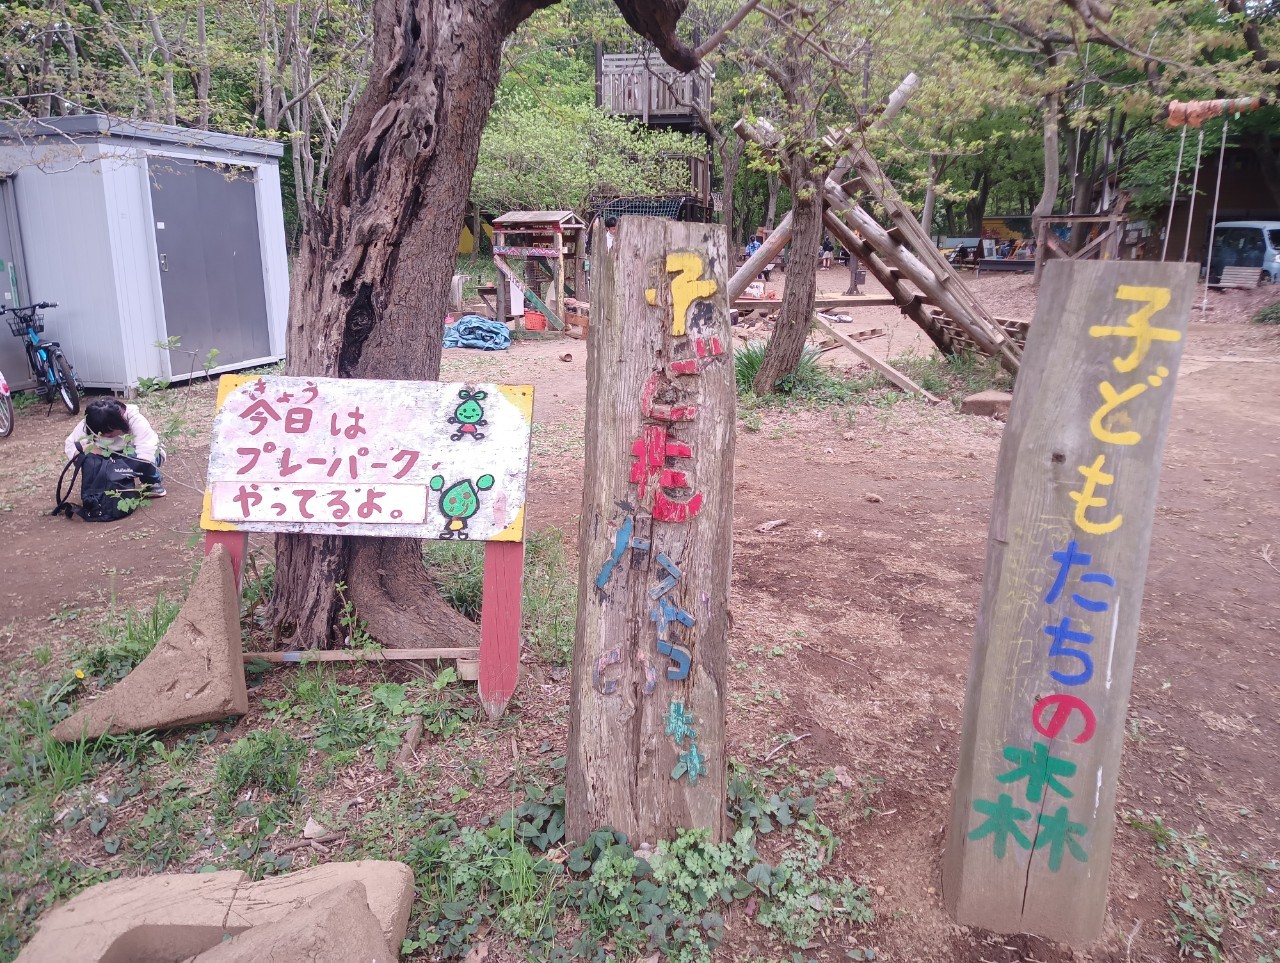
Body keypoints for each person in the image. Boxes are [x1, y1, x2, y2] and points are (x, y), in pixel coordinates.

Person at [64, 397, 166, 496]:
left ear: (119, 423)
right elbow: (71, 444)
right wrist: (80, 457)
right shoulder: (91, 421)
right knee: (87, 455)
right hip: (108, 455)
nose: (105, 436)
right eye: (101, 434)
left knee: (144, 455)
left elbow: (147, 454)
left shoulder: (135, 419)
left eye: (109, 433)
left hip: (135, 456)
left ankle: (152, 482)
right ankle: (104, 488)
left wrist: (118, 469)